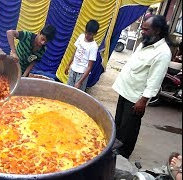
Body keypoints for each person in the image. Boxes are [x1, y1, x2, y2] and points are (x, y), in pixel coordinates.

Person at [112, 15, 172, 159]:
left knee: (130, 127)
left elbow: (155, 80)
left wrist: (143, 101)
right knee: (119, 122)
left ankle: (123, 154)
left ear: (157, 30)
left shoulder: (163, 53)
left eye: (146, 29)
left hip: (136, 97)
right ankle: (114, 147)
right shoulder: (145, 43)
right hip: (125, 89)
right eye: (142, 28)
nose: (142, 31)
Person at [64, 19, 100, 91]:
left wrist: (80, 82)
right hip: (73, 69)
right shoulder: (81, 37)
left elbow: (89, 67)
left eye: (90, 34)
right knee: (68, 91)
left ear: (95, 34)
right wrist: (68, 65)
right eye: (86, 32)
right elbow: (75, 52)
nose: (87, 35)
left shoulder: (93, 47)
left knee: (77, 95)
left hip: (82, 73)